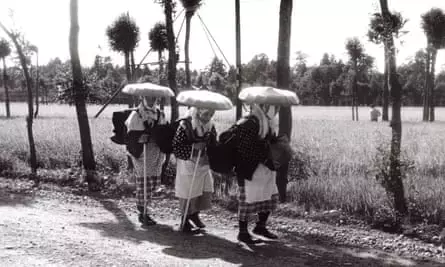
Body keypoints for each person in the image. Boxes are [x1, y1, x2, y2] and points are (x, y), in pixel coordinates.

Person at [233, 103, 280, 244]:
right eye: (274, 107)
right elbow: (246, 148)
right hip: (249, 169)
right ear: (265, 106)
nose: (276, 110)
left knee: (268, 197)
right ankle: (242, 232)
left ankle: (260, 226)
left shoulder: (267, 122)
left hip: (264, 170)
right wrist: (265, 159)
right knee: (247, 200)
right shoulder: (248, 122)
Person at [172, 107, 216, 233]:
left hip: (202, 163)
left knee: (202, 189)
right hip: (188, 163)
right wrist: (193, 147)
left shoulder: (211, 125)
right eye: (207, 112)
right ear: (199, 111)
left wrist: (210, 151)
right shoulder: (185, 125)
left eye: (212, 113)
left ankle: (194, 215)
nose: (209, 115)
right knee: (187, 191)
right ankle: (184, 220)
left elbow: (213, 143)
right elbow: (177, 146)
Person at [125, 96, 166, 226]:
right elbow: (129, 136)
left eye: (153, 97)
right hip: (141, 152)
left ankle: (144, 208)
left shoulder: (160, 114)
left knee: (153, 183)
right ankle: (142, 212)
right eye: (148, 97)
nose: (151, 100)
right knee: (144, 182)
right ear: (143, 98)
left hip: (155, 151)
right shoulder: (136, 115)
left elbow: (164, 131)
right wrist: (139, 138)